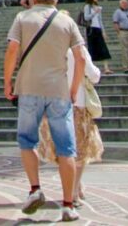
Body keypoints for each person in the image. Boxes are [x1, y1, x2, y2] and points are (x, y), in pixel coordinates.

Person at [4, 0, 85, 222]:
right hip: (59, 91)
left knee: (27, 141)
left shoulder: (22, 18)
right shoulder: (66, 21)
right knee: (66, 149)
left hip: (28, 87)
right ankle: (69, 204)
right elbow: (80, 57)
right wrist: (73, 88)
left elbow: (11, 50)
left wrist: (7, 81)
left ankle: (35, 189)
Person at [38, 43, 104, 207]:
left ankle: (75, 186)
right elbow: (94, 75)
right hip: (77, 103)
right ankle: (73, 191)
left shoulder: (49, 48)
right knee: (80, 149)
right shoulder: (77, 49)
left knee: (63, 149)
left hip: (54, 104)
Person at [83, 0, 112, 75]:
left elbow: (100, 20)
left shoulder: (97, 6)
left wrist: (103, 31)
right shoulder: (87, 7)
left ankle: (106, 68)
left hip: (98, 28)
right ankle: (91, 68)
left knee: (103, 47)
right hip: (91, 29)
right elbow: (86, 18)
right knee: (92, 48)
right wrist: (94, 12)